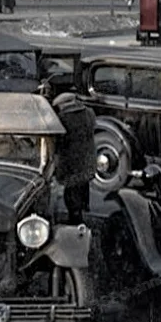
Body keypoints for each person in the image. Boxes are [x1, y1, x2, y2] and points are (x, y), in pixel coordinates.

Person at [52, 93, 96, 225]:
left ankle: (75, 219)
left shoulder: (63, 118)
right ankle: (82, 213)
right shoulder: (89, 112)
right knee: (83, 186)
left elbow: (59, 140)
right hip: (87, 157)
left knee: (71, 193)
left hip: (71, 162)